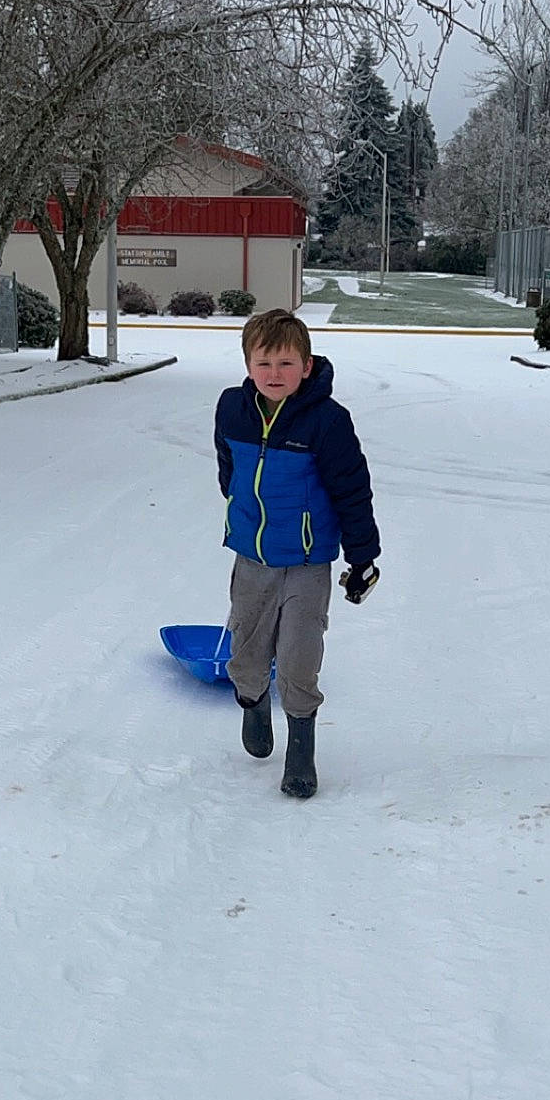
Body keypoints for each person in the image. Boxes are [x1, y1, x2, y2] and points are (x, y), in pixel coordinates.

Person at [214, 308, 380, 799]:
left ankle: (301, 748)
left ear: (307, 366)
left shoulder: (327, 421)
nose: (274, 374)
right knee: (246, 656)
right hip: (252, 559)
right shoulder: (232, 409)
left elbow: (352, 489)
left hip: (308, 563)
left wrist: (362, 558)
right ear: (248, 365)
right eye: (263, 363)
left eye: (286, 363)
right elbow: (228, 466)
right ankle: (253, 703)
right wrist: (240, 506)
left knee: (299, 660)